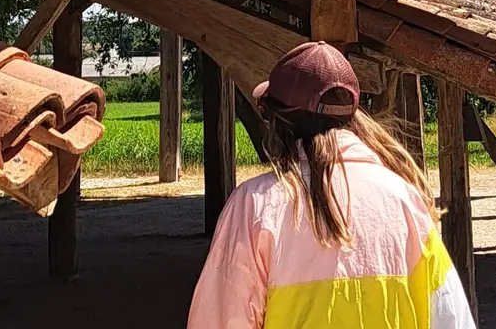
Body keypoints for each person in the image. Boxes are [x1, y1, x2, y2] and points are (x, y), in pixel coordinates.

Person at [188, 41, 476, 329]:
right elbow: (450, 317)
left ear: (280, 122)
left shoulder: (255, 205)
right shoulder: (404, 199)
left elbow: (220, 320)